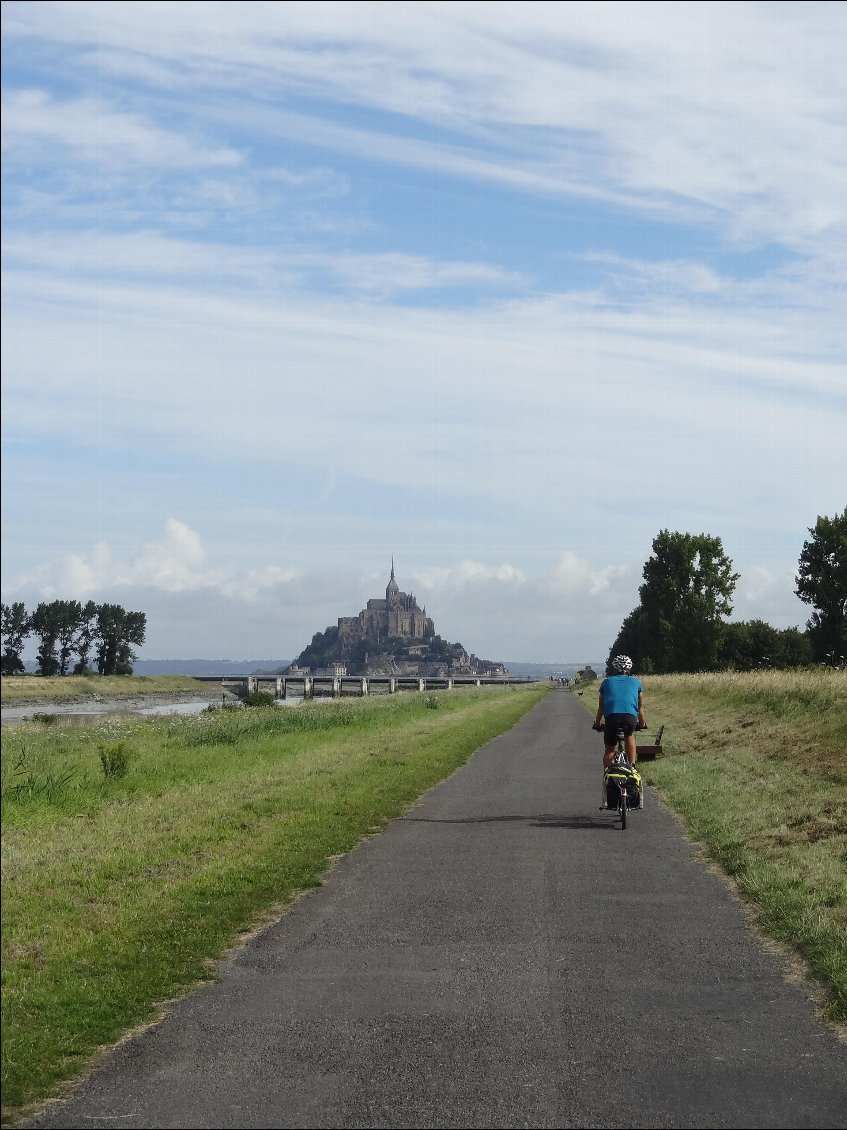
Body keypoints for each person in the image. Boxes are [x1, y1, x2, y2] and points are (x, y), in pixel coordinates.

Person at [593, 654, 645, 769]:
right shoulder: (636, 682)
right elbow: (639, 707)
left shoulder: (606, 682)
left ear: (614, 668)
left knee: (610, 749)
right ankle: (632, 767)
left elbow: (601, 706)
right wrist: (641, 723)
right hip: (630, 717)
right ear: (629, 669)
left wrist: (597, 723)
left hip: (612, 718)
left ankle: (608, 774)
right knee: (629, 735)